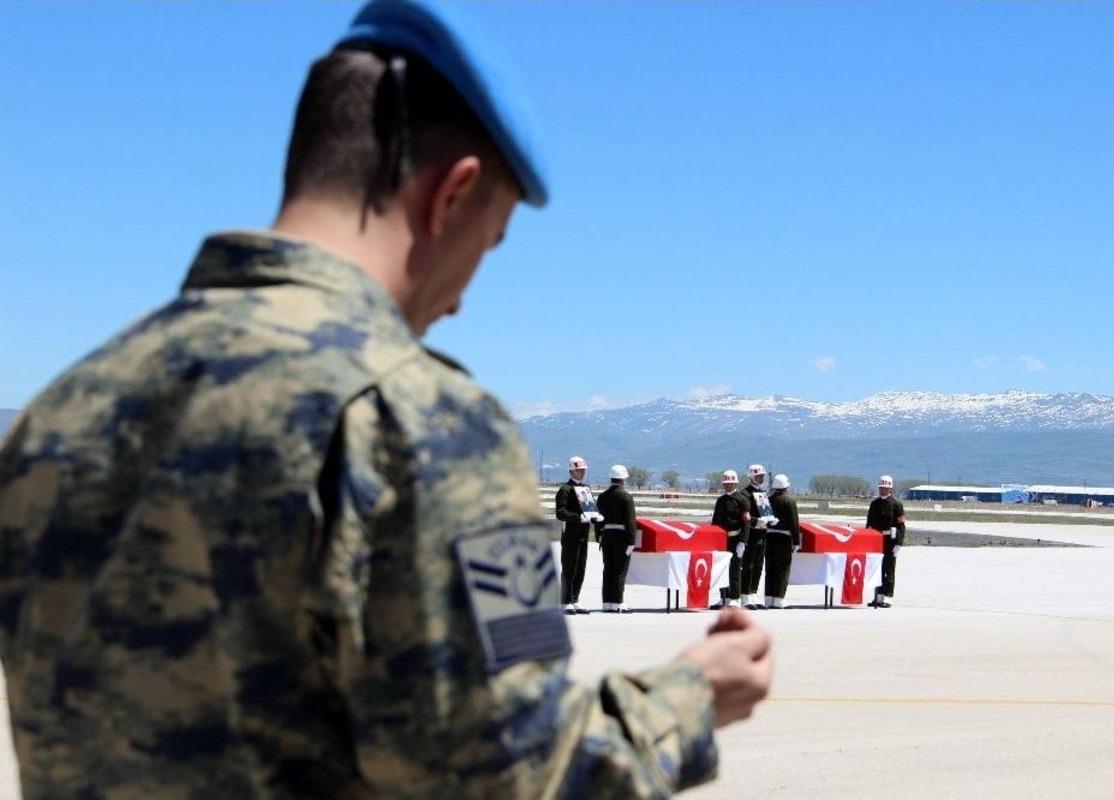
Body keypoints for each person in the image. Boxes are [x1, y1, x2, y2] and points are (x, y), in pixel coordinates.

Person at [0, 2, 774, 797]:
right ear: (453, 194)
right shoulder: (418, 422)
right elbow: (510, 778)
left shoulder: (61, 411)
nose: (463, 299)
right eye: (491, 240)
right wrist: (688, 699)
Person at [555, 455, 600, 614]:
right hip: (570, 535)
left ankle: (575, 598)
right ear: (571, 471)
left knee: (580, 568)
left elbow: (590, 509)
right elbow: (560, 513)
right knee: (569, 568)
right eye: (578, 470)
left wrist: (596, 517)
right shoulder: (565, 489)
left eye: (583, 470)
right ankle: (565, 601)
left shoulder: (586, 489)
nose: (581, 472)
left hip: (583, 534)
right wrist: (577, 517)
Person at [596, 464, 637, 613]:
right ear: (623, 480)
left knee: (608, 570)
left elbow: (598, 519)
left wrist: (599, 536)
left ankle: (606, 602)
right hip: (621, 538)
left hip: (606, 537)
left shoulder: (602, 496)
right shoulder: (626, 496)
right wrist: (632, 540)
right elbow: (630, 521)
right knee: (619, 570)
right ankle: (617, 602)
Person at [739, 464, 777, 609]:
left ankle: (753, 593)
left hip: (762, 534)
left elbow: (766, 513)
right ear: (751, 477)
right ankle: (745, 595)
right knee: (748, 565)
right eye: (758, 476)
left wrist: (771, 519)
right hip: (751, 534)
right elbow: (746, 516)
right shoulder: (745, 494)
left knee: (758, 565)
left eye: (762, 476)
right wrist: (756, 521)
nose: (761, 478)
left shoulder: (762, 493)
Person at [711, 469, 751, 608]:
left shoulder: (742, 500)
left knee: (734, 569)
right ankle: (724, 597)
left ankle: (735, 597)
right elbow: (715, 521)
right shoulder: (720, 500)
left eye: (730, 483)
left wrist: (743, 542)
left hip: (735, 539)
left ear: (735, 483)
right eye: (725, 483)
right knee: (721, 569)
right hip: (721, 540)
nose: (727, 485)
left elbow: (746, 523)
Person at [866, 474, 907, 608]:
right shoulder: (874, 504)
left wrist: (899, 543)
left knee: (888, 569)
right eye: (881, 487)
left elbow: (901, 526)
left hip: (890, 541)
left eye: (885, 488)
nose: (882, 490)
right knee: (876, 569)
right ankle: (877, 597)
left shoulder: (896, 505)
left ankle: (887, 596)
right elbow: (868, 524)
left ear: (890, 489)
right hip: (876, 540)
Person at [764, 474, 801, 609]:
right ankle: (779, 598)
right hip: (784, 538)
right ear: (787, 486)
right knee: (783, 569)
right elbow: (794, 524)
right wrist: (796, 542)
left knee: (770, 569)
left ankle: (768, 598)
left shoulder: (766, 500)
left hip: (768, 537)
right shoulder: (789, 502)